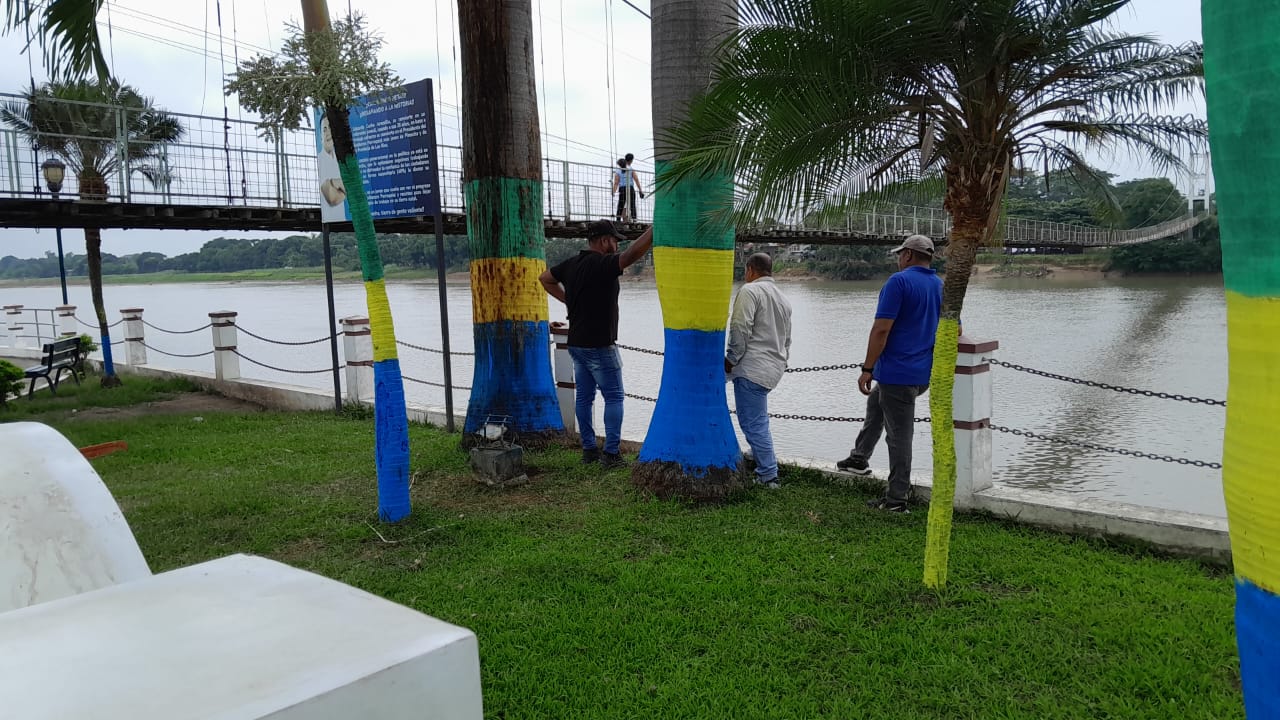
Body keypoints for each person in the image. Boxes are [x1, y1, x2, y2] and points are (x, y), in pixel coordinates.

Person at [836, 234, 942, 513]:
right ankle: (859, 459)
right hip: (920, 374)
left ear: (907, 255)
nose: (898, 259)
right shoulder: (939, 285)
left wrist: (867, 368)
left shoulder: (899, 282)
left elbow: (881, 329)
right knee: (876, 405)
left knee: (899, 437)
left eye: (899, 254)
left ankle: (896, 499)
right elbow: (956, 329)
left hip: (897, 373)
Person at [540, 219, 655, 468]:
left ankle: (589, 450)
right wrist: (654, 231)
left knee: (584, 398)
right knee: (614, 397)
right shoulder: (602, 264)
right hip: (600, 345)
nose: (617, 245)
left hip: (576, 344)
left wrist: (568, 300)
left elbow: (545, 278)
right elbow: (630, 255)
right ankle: (611, 454)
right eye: (614, 240)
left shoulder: (572, 264)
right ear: (604, 241)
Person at [725, 253, 793, 489]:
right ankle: (758, 456)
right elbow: (787, 340)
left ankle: (768, 475)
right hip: (773, 368)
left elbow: (739, 327)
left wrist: (731, 359)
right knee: (758, 419)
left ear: (750, 270)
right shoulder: (783, 298)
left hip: (751, 368)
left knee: (753, 423)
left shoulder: (750, 291)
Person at [611, 154, 645, 222]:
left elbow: (616, 183)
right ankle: (634, 219)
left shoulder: (618, 170)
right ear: (631, 160)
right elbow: (636, 180)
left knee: (620, 205)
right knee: (632, 205)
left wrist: (613, 191)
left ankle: (618, 219)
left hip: (622, 189)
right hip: (630, 188)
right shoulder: (631, 169)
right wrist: (640, 190)